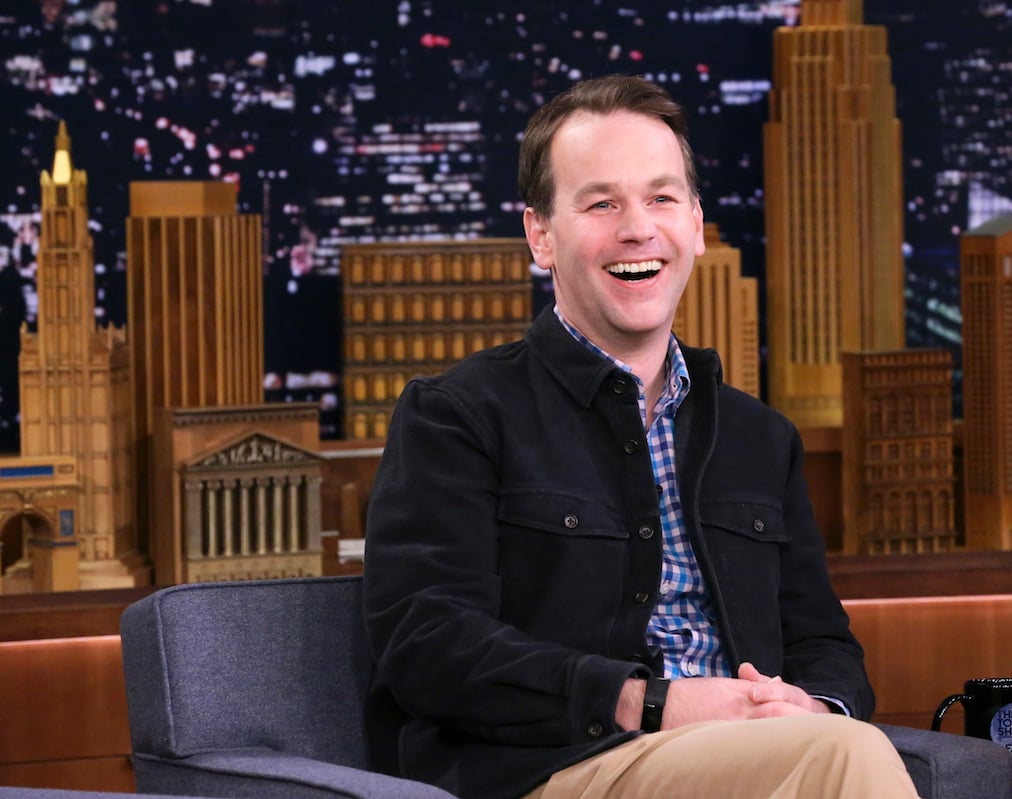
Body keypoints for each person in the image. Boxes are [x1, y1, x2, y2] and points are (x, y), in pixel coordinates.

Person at [362, 74, 920, 799]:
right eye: (602, 203)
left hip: (760, 753)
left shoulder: (760, 437)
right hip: (555, 769)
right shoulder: (458, 415)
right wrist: (647, 700)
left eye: (661, 198)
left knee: (838, 742)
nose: (637, 228)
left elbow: (821, 641)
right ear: (541, 234)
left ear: (693, 222)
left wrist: (814, 705)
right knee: (846, 759)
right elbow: (427, 645)